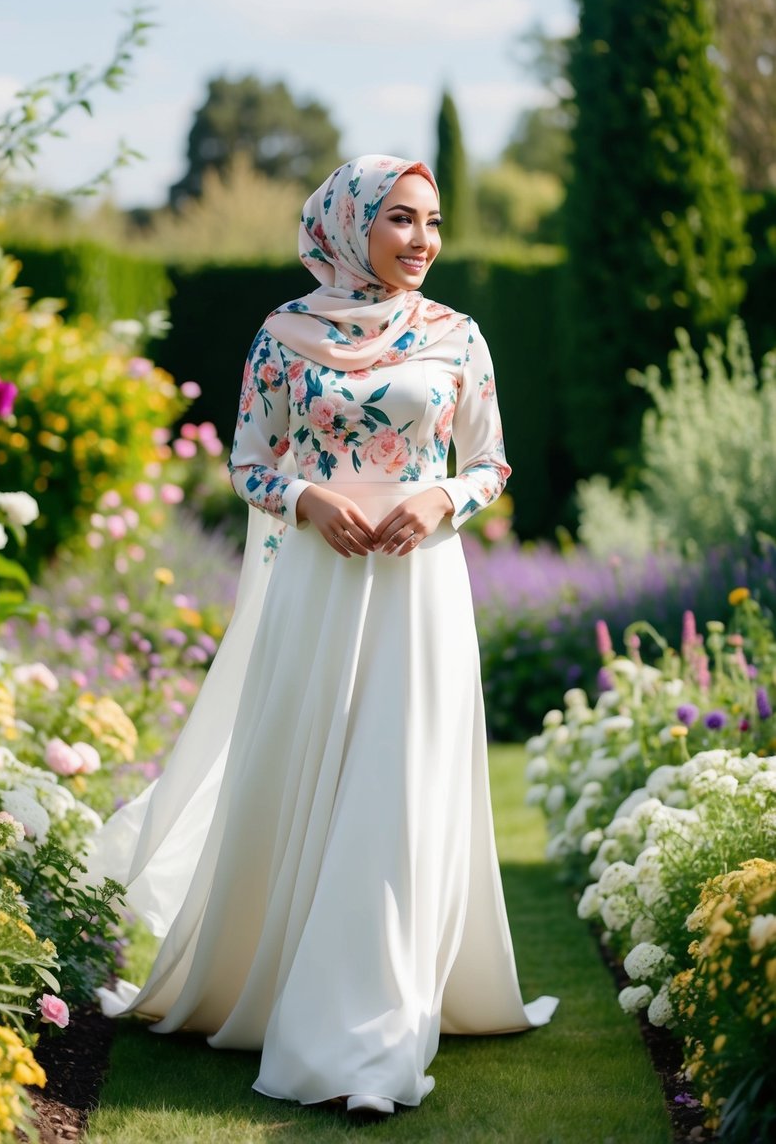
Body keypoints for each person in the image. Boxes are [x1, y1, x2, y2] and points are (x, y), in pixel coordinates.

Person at [89, 154, 557, 1120]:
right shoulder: (283, 335)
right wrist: (304, 497)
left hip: (418, 589)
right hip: (315, 586)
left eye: (431, 222)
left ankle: (374, 1028)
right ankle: (278, 982)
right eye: (398, 219)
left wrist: (441, 499)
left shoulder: (455, 336)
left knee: (398, 780)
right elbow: (249, 459)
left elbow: (490, 459)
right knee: (306, 767)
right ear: (347, 224)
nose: (421, 240)